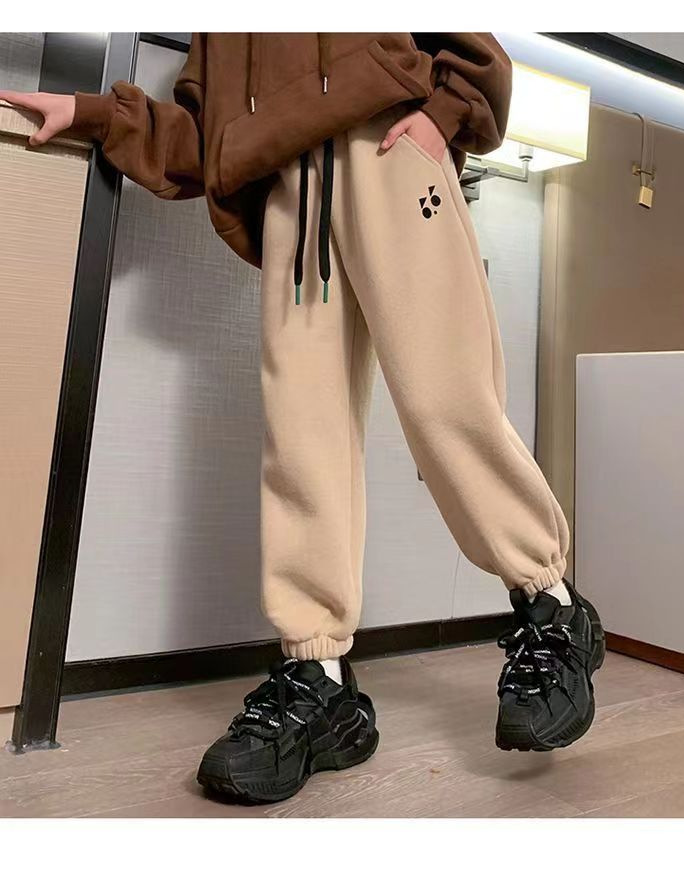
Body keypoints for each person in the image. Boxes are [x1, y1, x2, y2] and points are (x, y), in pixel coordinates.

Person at [0, 32, 604, 804]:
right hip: (289, 189)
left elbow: (468, 44)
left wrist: (442, 117)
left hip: (388, 150)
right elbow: (201, 141)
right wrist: (93, 114)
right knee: (302, 438)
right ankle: (319, 676)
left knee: (445, 399)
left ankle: (552, 605)